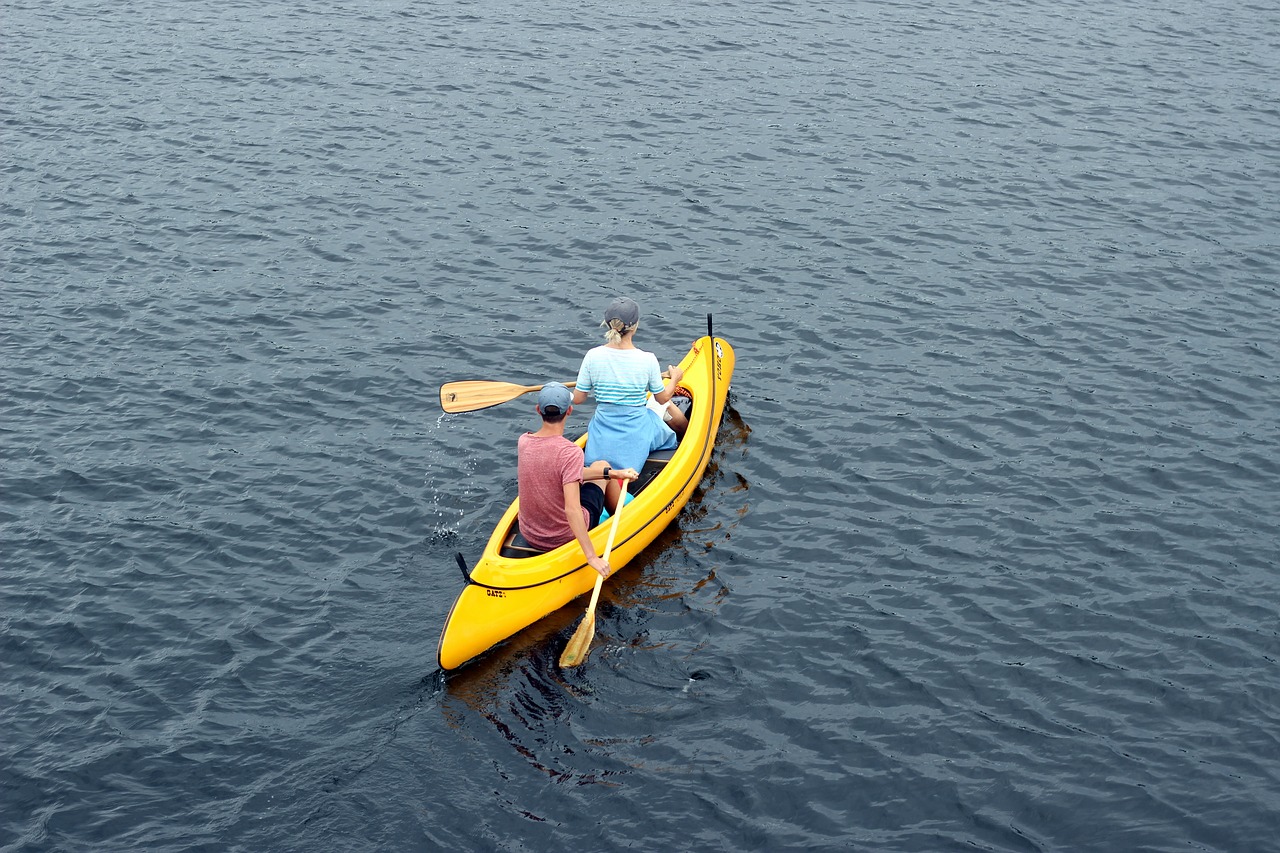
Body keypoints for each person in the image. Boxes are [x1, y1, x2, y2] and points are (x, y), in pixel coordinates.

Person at [517, 382, 638, 577]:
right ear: (569, 411)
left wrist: (613, 474)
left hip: (530, 534)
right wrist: (591, 557)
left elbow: (567, 472)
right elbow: (572, 509)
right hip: (562, 536)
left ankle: (610, 479)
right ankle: (623, 519)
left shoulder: (524, 441)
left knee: (602, 470)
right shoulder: (569, 452)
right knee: (601, 463)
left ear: (538, 410)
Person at [573, 296, 688, 475]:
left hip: (603, 428)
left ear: (607, 323)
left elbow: (579, 399)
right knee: (667, 405)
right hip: (637, 430)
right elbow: (662, 397)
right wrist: (674, 378)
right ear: (635, 326)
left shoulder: (592, 356)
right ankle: (687, 439)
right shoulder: (647, 359)